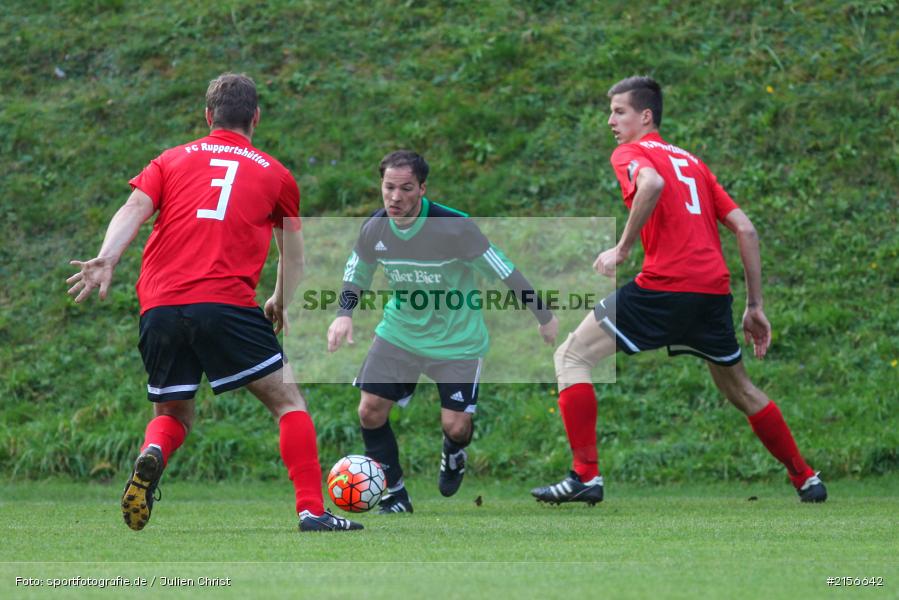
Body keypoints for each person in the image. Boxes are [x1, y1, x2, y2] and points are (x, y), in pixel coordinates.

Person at [66, 72, 362, 532]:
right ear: (256, 118)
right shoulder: (276, 174)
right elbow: (294, 256)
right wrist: (280, 300)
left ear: (208, 117)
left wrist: (107, 258)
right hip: (224, 303)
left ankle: (154, 452)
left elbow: (132, 209)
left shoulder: (171, 160)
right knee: (289, 403)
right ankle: (312, 510)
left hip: (160, 306)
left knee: (173, 415)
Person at [531, 76, 827, 505]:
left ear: (645, 116)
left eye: (619, 111)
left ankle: (585, 476)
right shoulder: (694, 162)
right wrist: (755, 305)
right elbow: (746, 228)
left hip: (665, 287)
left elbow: (650, 185)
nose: (611, 121)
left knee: (571, 355)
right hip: (711, 293)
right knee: (740, 388)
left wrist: (622, 248)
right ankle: (805, 477)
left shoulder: (630, 152)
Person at [327, 150, 559, 514]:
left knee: (456, 426)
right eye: (389, 187)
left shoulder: (455, 228)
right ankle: (394, 494)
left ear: (422, 188)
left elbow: (504, 270)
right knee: (370, 410)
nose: (395, 197)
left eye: (406, 188)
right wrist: (344, 315)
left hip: (457, 341)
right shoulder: (375, 228)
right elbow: (357, 274)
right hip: (400, 333)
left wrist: (543, 315)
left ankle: (454, 452)